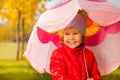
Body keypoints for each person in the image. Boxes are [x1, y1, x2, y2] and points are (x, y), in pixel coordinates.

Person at [50, 13, 102, 80]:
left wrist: (93, 79)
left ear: (82, 35)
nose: (71, 38)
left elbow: (96, 74)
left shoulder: (89, 54)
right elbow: (58, 76)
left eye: (75, 33)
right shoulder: (58, 54)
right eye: (67, 34)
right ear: (63, 37)